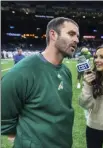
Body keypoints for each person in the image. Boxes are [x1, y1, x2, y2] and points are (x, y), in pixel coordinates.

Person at [1, 17, 79, 148]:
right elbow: (4, 112)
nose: (76, 40)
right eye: (71, 34)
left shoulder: (66, 71)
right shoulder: (22, 71)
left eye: (77, 36)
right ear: (53, 34)